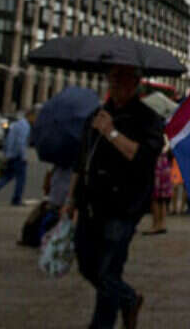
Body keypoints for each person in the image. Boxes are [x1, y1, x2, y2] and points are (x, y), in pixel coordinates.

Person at [64, 65, 164, 328]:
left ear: (135, 82)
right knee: (87, 265)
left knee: (108, 269)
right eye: (112, 77)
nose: (115, 82)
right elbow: (81, 160)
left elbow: (144, 157)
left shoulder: (148, 119)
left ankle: (101, 324)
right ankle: (128, 298)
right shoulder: (97, 115)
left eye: (122, 77)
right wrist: (70, 199)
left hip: (123, 205)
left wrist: (111, 133)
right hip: (90, 203)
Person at [0, 108, 37, 206]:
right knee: (21, 179)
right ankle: (16, 199)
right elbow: (21, 142)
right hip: (18, 157)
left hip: (11, 155)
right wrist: (24, 157)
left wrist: (6, 154)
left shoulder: (16, 124)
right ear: (30, 116)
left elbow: (7, 140)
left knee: (7, 177)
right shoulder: (25, 126)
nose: (35, 120)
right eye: (35, 117)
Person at [143, 138, 172, 235]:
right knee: (162, 199)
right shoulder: (167, 137)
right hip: (164, 165)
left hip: (157, 166)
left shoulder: (156, 135)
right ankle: (162, 224)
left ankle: (155, 225)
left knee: (155, 198)